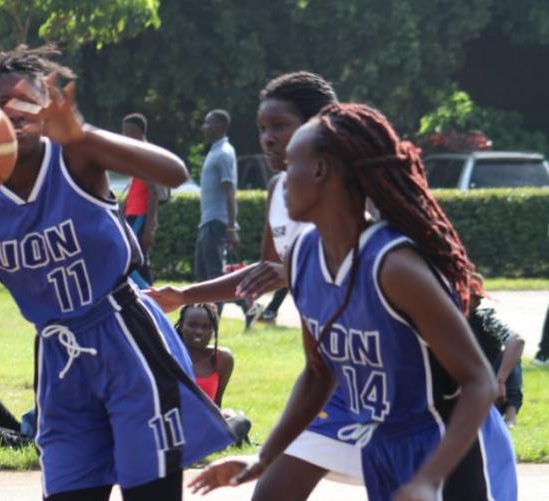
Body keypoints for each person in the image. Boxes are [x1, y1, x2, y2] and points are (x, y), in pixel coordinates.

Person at [0, 45, 234, 501]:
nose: (15, 113)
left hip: (126, 339)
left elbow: (175, 171)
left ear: (46, 106)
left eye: (26, 101)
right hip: (59, 357)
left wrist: (83, 134)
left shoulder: (74, 154)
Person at [190, 103, 518, 501]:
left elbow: (479, 381)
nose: (282, 176)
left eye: (291, 163)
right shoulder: (302, 257)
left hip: (446, 448)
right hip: (381, 445)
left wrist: (429, 478)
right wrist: (263, 458)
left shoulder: (394, 266)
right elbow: (317, 373)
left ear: (322, 171)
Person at [151, 72, 365, 500]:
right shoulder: (280, 191)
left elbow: (377, 268)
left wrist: (297, 270)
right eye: (262, 129)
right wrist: (186, 295)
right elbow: (267, 270)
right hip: (333, 377)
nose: (268, 138)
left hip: (394, 381)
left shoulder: (360, 189)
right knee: (271, 492)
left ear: (319, 124)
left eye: (280, 126)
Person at [195, 108, 258, 326]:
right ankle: (247, 306)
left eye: (208, 123)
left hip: (217, 222)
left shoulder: (224, 152)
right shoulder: (214, 151)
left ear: (220, 126)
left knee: (214, 277)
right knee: (203, 273)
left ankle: (210, 324)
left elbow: (229, 192)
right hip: (207, 221)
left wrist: (231, 227)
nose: (204, 127)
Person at [174, 303, 251, 445]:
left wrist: (225, 416)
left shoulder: (222, 358)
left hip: (206, 429)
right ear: (181, 325)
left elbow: (216, 402)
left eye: (206, 327)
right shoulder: (168, 355)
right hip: (175, 429)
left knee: (241, 420)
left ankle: (219, 441)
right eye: (192, 325)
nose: (199, 331)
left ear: (213, 331)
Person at [468, 273, 524, 427]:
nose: (478, 304)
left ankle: (510, 416)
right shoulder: (443, 318)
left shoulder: (485, 318)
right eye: (475, 298)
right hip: (463, 380)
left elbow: (517, 341)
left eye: (479, 299)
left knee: (511, 356)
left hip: (490, 378)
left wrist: (500, 381)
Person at [121, 113, 159, 287]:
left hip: (140, 216)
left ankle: (149, 295)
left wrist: (149, 229)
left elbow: (154, 193)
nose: (123, 136)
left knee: (130, 259)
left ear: (135, 131)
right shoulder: (136, 155)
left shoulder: (146, 154)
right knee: (134, 259)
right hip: (132, 215)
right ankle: (146, 295)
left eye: (126, 132)